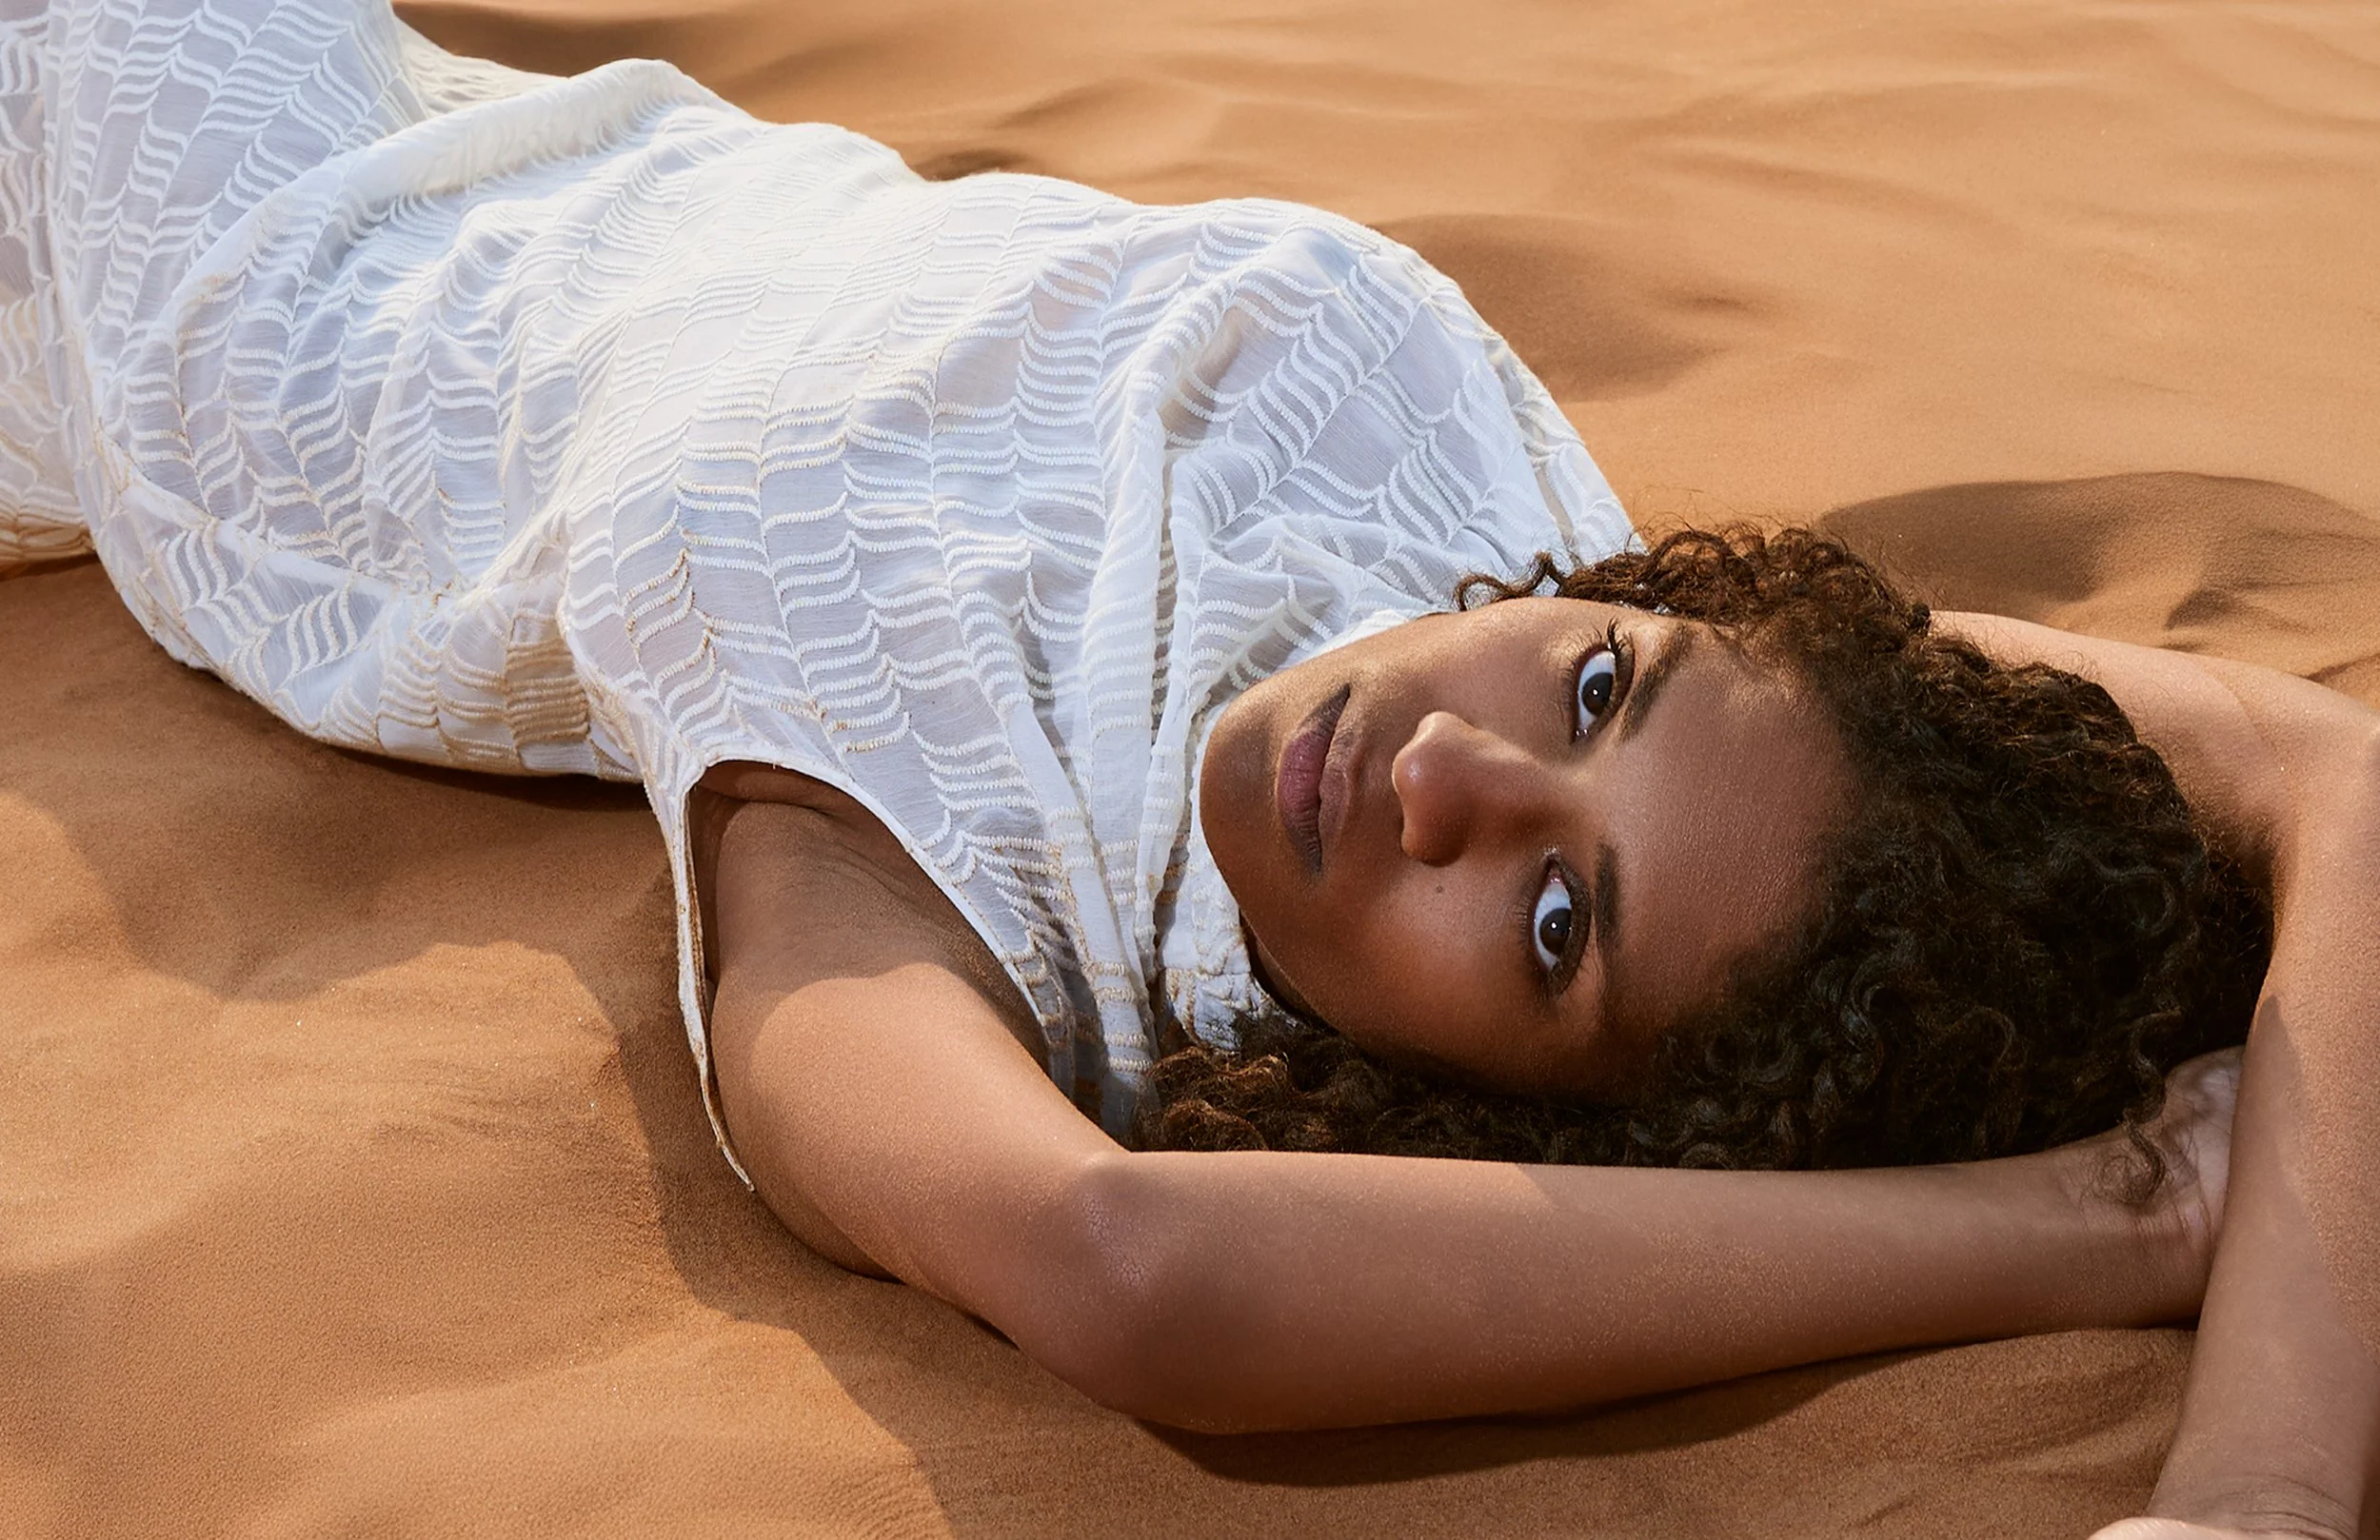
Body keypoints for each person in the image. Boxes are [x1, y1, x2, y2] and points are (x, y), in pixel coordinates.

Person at [1, 2, 2370, 1534]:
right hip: (523, 131)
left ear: (1526, 1137)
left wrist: (2111, 1225)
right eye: (1599, 688)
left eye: (1551, 927)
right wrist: (2271, 1464)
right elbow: (2317, 769)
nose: (1450, 768)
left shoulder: (968, 868)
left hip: (205, 256)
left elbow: (1123, 1269)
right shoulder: (1556, 572)